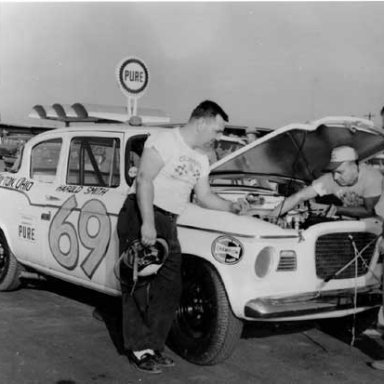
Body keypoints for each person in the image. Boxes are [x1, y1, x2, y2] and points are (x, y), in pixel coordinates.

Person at [116, 100, 249, 374]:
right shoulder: (166, 140)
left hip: (168, 221)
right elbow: (144, 179)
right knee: (138, 285)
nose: (218, 136)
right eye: (217, 129)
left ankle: (153, 347)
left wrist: (231, 206)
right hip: (141, 214)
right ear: (201, 122)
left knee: (170, 288)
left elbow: (204, 196)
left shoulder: (201, 158)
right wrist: (148, 224)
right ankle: (139, 350)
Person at [272, 145, 383, 219]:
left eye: (340, 172)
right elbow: (299, 196)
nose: (335, 177)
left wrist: (338, 209)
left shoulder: (372, 178)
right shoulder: (330, 179)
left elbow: (369, 211)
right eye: (333, 172)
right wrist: (271, 217)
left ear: (354, 166)